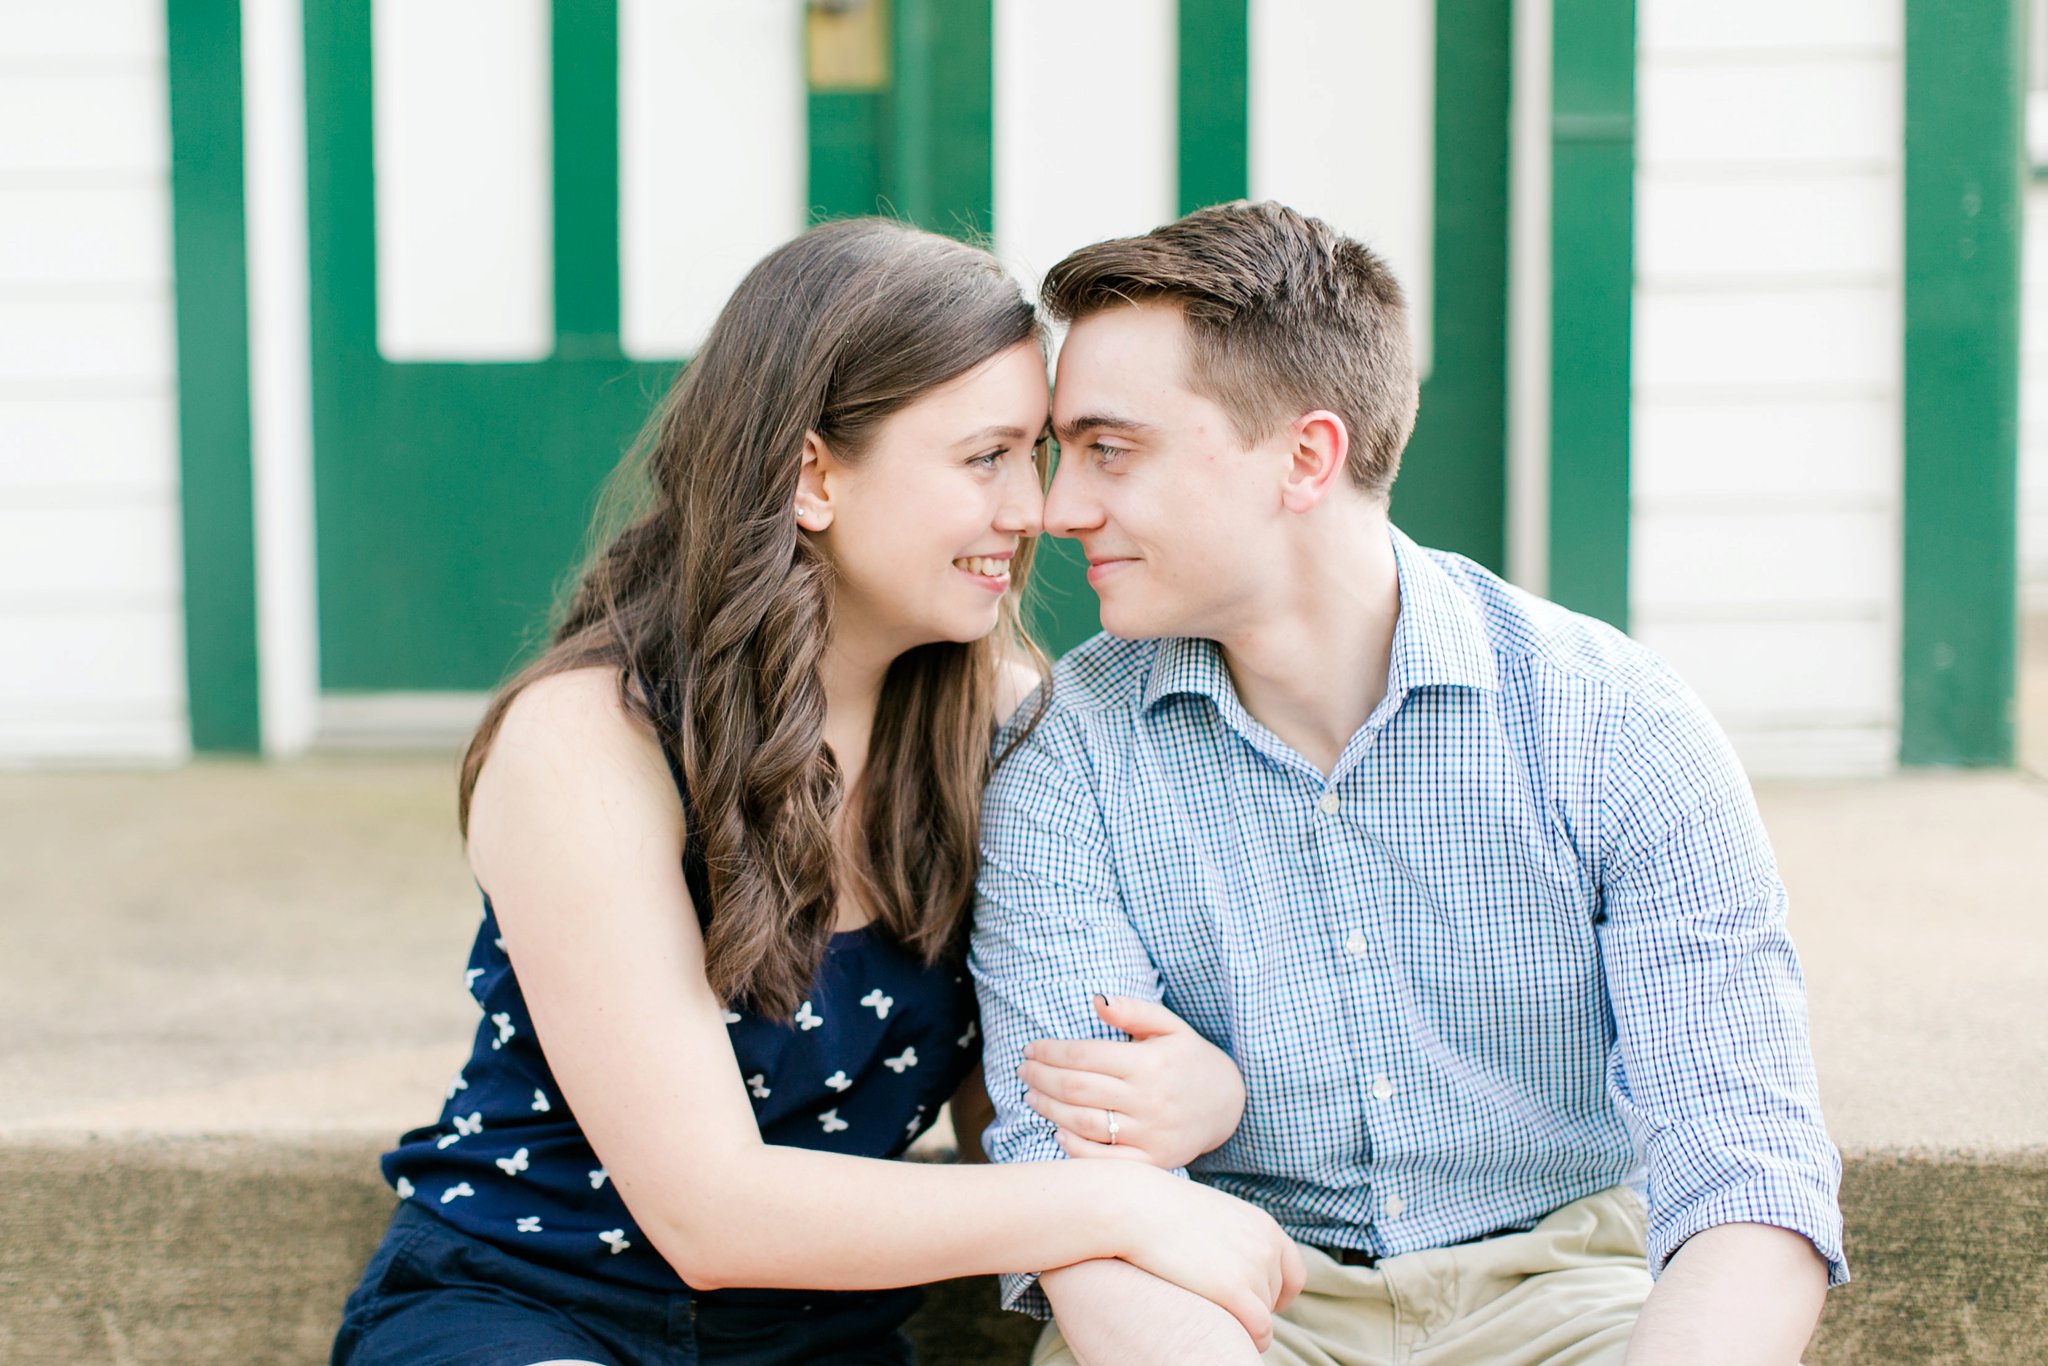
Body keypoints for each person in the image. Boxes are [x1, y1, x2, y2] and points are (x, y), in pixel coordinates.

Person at [330, 218, 1303, 1366]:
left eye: (1031, 455)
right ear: (810, 476)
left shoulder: (1012, 723)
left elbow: (1022, 1118)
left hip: (816, 1343)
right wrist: (1120, 1206)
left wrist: (1193, 1092)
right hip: (528, 1306)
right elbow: (709, 1212)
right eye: (984, 457)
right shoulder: (592, 739)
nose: (1032, 510)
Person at [971, 202, 1847, 1366]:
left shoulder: (1613, 726)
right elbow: (1076, 1198)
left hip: (1569, 1294)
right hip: (1218, 1298)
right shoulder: (1062, 757)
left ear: (1305, 456)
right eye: (1059, 453)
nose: (1058, 507)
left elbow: (1749, 1167)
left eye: (1109, 450)